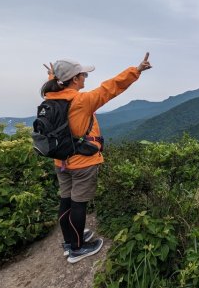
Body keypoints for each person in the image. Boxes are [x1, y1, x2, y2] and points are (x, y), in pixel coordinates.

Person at [40, 53, 152, 263]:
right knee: (78, 204)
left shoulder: (51, 98)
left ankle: (69, 241)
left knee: (66, 201)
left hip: (61, 161)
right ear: (74, 79)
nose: (85, 78)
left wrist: (52, 75)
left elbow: (55, 85)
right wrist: (136, 71)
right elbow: (111, 88)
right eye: (83, 75)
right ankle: (77, 248)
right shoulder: (82, 101)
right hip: (82, 163)